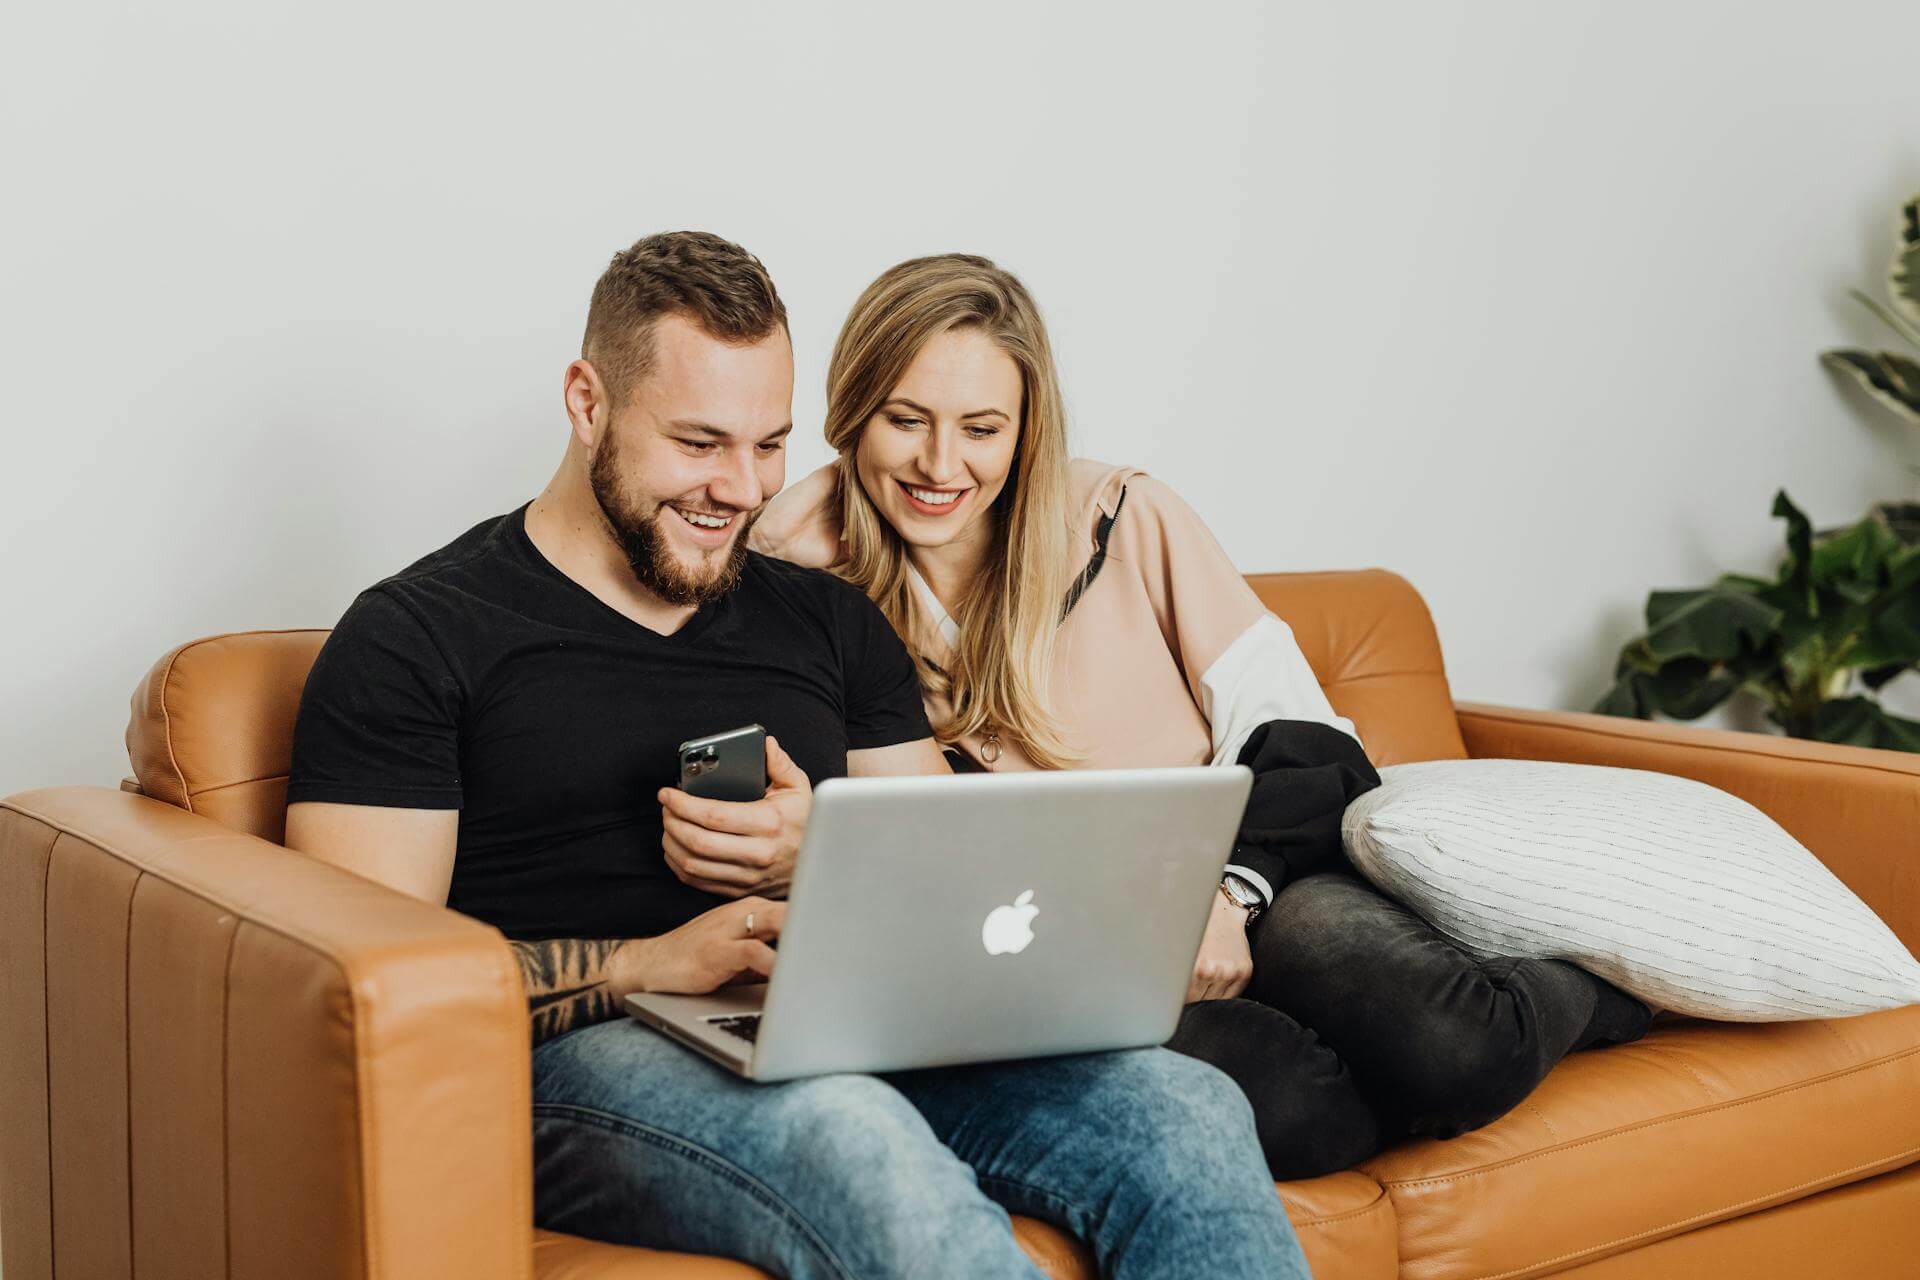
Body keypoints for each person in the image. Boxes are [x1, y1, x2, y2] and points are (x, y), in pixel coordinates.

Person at [282, 231, 1312, 1280]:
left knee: (1184, 1111)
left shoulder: (828, 619)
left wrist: (818, 851)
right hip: (581, 1058)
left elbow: (950, 881)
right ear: (588, 402)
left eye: (768, 444)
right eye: (699, 443)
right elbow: (355, 983)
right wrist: (645, 964)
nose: (741, 489)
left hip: (843, 1023)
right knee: (854, 1138)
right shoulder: (419, 636)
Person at [751, 252, 1654, 1179]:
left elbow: (1309, 744)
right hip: (1078, 959)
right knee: (1292, 1114)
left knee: (1454, 1048)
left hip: (1259, 881)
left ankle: (1598, 990)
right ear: (851, 415)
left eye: (982, 428)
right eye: (904, 421)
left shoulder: (1124, 518)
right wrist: (777, 530)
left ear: (1026, 431)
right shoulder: (811, 591)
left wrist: (1226, 898)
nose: (941, 465)